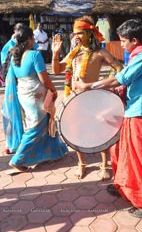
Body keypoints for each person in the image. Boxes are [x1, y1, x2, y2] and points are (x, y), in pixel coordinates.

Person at [74, 18, 142, 218]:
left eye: (123, 41)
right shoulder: (139, 55)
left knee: (139, 159)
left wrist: (87, 86)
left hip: (139, 114)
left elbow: (118, 78)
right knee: (121, 152)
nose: (121, 45)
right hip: (132, 111)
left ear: (134, 40)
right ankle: (125, 186)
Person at [52, 15, 123, 180]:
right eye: (75, 33)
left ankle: (104, 165)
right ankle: (82, 164)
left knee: (101, 130)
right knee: (77, 131)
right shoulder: (73, 53)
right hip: (74, 99)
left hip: (94, 98)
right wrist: (55, 53)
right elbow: (56, 70)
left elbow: (119, 68)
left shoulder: (99, 53)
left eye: (80, 33)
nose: (77, 36)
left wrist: (105, 85)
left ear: (90, 34)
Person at [7, 26, 68, 173]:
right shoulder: (35, 55)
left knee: (45, 121)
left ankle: (54, 152)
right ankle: (17, 159)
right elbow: (44, 79)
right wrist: (53, 90)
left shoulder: (13, 55)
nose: (34, 40)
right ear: (28, 40)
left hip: (23, 94)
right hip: (37, 96)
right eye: (33, 38)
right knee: (35, 126)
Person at [1, 23, 33, 154]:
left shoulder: (18, 45)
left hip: (17, 82)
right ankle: (16, 141)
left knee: (15, 112)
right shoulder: (13, 45)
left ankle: (15, 142)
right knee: (18, 112)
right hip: (16, 83)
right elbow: (5, 60)